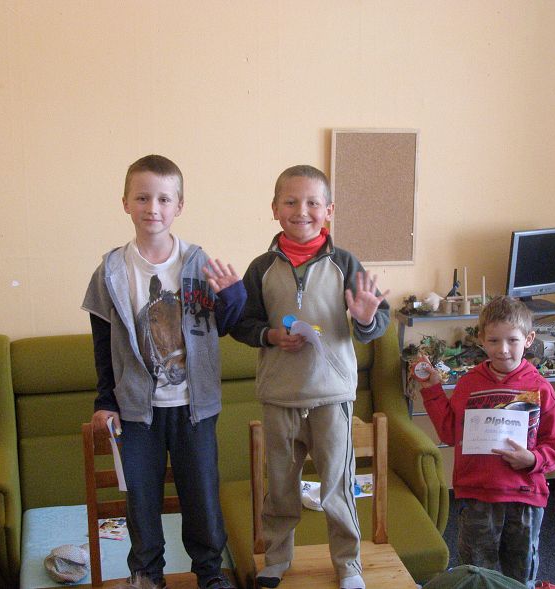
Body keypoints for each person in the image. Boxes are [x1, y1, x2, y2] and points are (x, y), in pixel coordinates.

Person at [82, 154, 246, 589]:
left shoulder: (197, 262)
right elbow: (103, 343)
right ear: (125, 203)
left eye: (163, 199)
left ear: (179, 206)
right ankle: (147, 574)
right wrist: (105, 401)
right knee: (141, 498)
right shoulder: (111, 271)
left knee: (202, 495)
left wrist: (233, 295)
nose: (152, 208)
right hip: (137, 411)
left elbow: (224, 325)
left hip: (195, 407)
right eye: (142, 198)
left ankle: (209, 573)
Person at [230, 165, 390, 589]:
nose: (302, 211)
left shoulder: (345, 263)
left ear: (329, 210)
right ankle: (276, 559)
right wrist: (270, 335)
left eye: (313, 203)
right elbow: (242, 322)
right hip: (279, 396)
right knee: (281, 487)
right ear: (274, 209)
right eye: (291, 201)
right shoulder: (261, 267)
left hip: (332, 396)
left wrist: (366, 318)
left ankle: (349, 564)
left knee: (338, 486)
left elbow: (377, 319)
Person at [416, 296, 555, 589]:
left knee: (519, 577)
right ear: (481, 340)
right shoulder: (469, 384)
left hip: (524, 497)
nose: (503, 349)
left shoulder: (540, 387)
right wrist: (432, 390)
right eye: (494, 340)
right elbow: (449, 432)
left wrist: (533, 459)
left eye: (512, 340)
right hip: (477, 495)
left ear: (528, 339)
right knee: (477, 574)